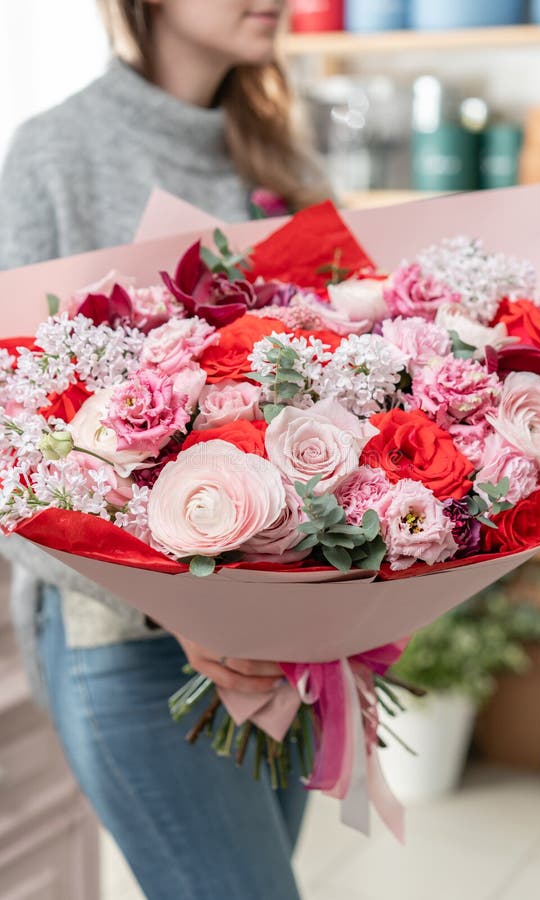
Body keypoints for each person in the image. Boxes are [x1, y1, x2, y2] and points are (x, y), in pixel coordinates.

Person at [0, 3, 329, 898]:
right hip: (126, 635)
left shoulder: (287, 167)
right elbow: (11, 460)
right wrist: (184, 606)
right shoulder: (54, 155)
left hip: (287, 644)